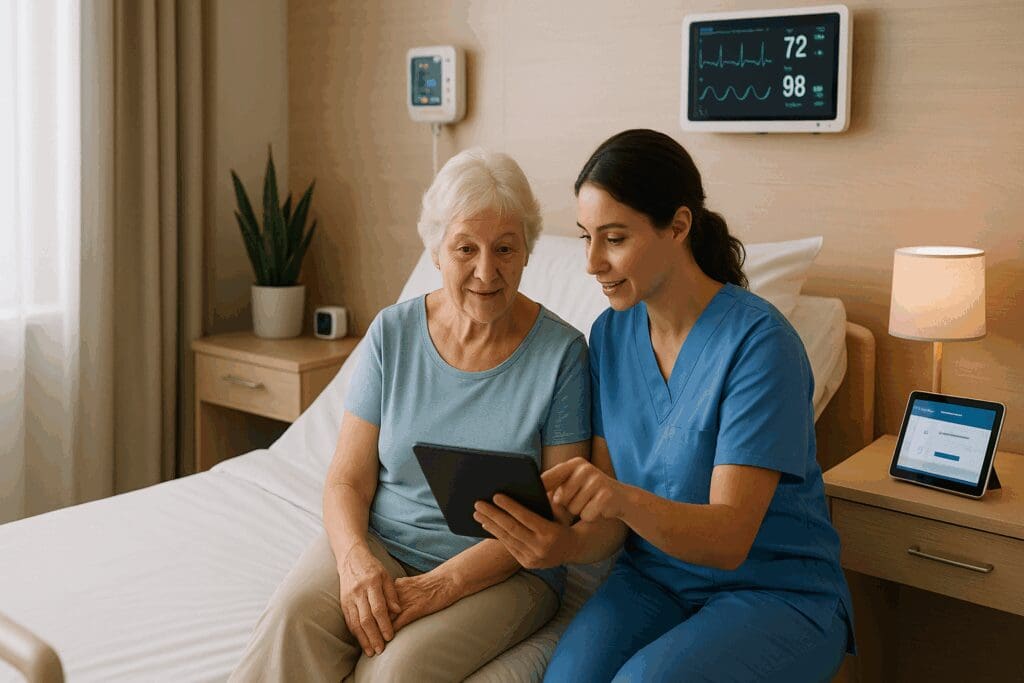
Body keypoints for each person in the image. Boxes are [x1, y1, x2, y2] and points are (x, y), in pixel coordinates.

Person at [474, 129, 854, 682]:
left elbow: (728, 541)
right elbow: (608, 525)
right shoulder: (609, 336)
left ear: (678, 226)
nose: (593, 263)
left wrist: (620, 499)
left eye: (615, 238)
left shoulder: (759, 345)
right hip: (655, 579)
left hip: (773, 589)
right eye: (585, 238)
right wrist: (562, 545)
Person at [230, 149, 590, 682]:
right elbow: (347, 479)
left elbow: (553, 517)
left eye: (505, 249)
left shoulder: (563, 355)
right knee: (291, 621)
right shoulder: (392, 334)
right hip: (379, 539)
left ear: (526, 251)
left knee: (395, 671)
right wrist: (354, 561)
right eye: (466, 248)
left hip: (505, 570)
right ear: (437, 251)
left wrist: (441, 585)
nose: (487, 271)